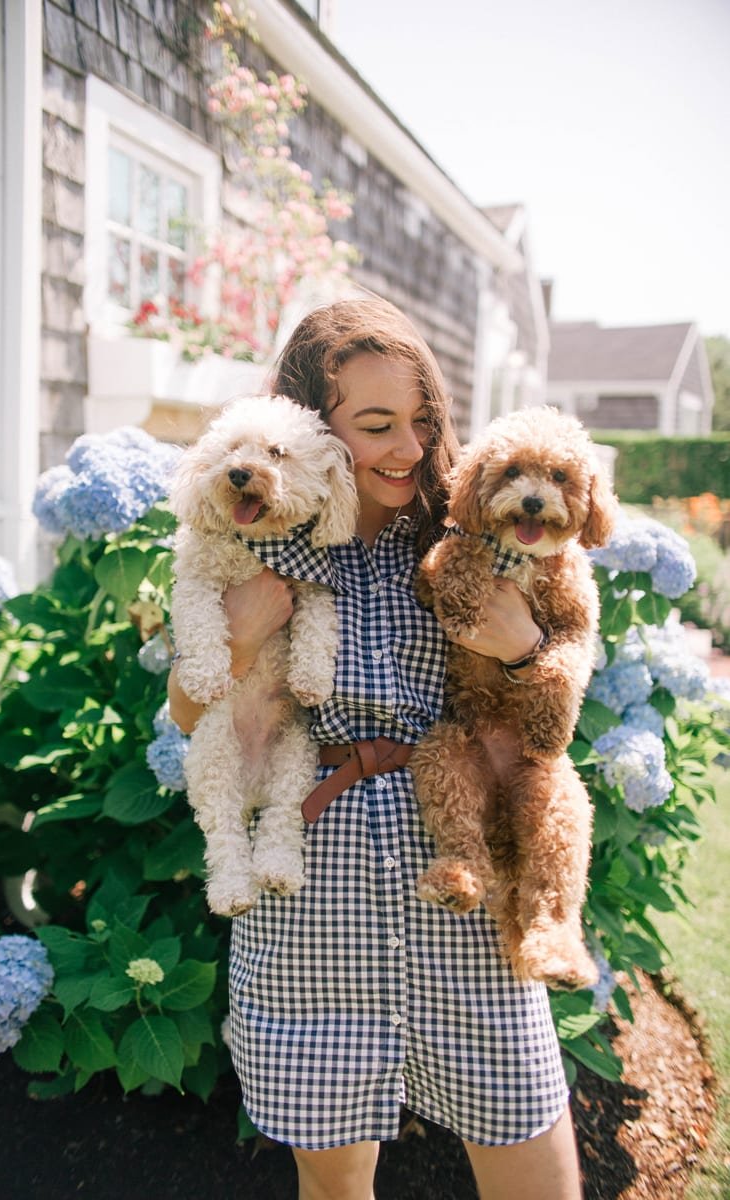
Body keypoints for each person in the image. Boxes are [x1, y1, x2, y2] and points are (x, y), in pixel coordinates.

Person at [168, 297, 583, 1200]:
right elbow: (191, 715)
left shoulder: (467, 535)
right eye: (377, 425)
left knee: (535, 1160)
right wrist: (237, 636)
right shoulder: (266, 539)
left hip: (458, 874)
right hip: (315, 895)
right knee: (335, 1184)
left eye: (422, 420)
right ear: (313, 430)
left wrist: (522, 648)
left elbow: (553, 702)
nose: (408, 446)